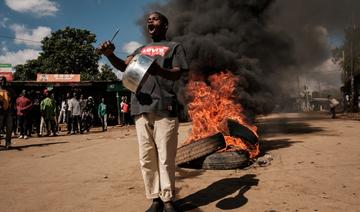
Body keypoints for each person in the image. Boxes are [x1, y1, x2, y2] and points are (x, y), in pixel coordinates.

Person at [98, 11, 188, 212]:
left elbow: (177, 73)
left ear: (165, 25)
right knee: (147, 156)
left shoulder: (174, 47)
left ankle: (168, 200)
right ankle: (154, 199)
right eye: (149, 19)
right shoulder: (139, 50)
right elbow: (124, 67)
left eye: (155, 19)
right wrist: (110, 54)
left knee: (165, 157)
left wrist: (159, 71)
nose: (150, 20)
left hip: (165, 105)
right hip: (140, 106)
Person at [0, 76, 14, 148]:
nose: (2, 82)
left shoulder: (9, 90)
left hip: (8, 111)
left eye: (3, 81)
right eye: (1, 81)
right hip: (0, 112)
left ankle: (8, 142)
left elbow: (13, 99)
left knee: (9, 127)